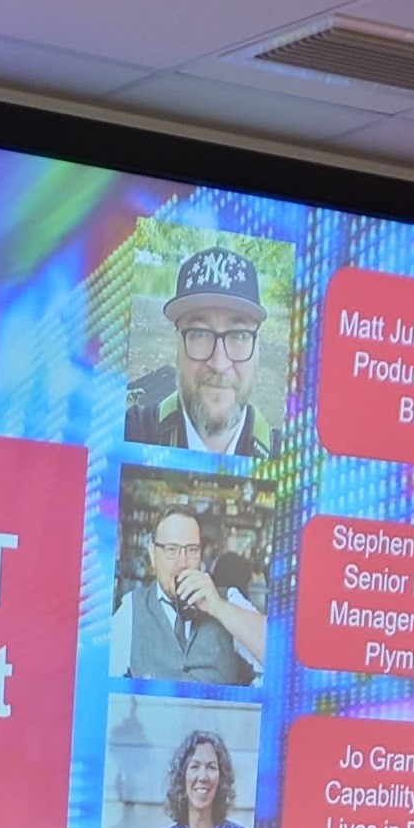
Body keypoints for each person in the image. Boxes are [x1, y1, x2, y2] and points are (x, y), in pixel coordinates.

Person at [123, 244, 276, 458]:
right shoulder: (131, 434)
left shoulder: (294, 464)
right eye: (200, 333)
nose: (220, 364)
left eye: (239, 335)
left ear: (257, 345)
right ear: (177, 342)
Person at [111, 505, 264, 685]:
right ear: (153, 554)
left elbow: (281, 656)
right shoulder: (132, 609)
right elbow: (95, 684)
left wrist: (218, 607)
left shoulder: (228, 598)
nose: (182, 563)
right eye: (171, 549)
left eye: (191, 550)